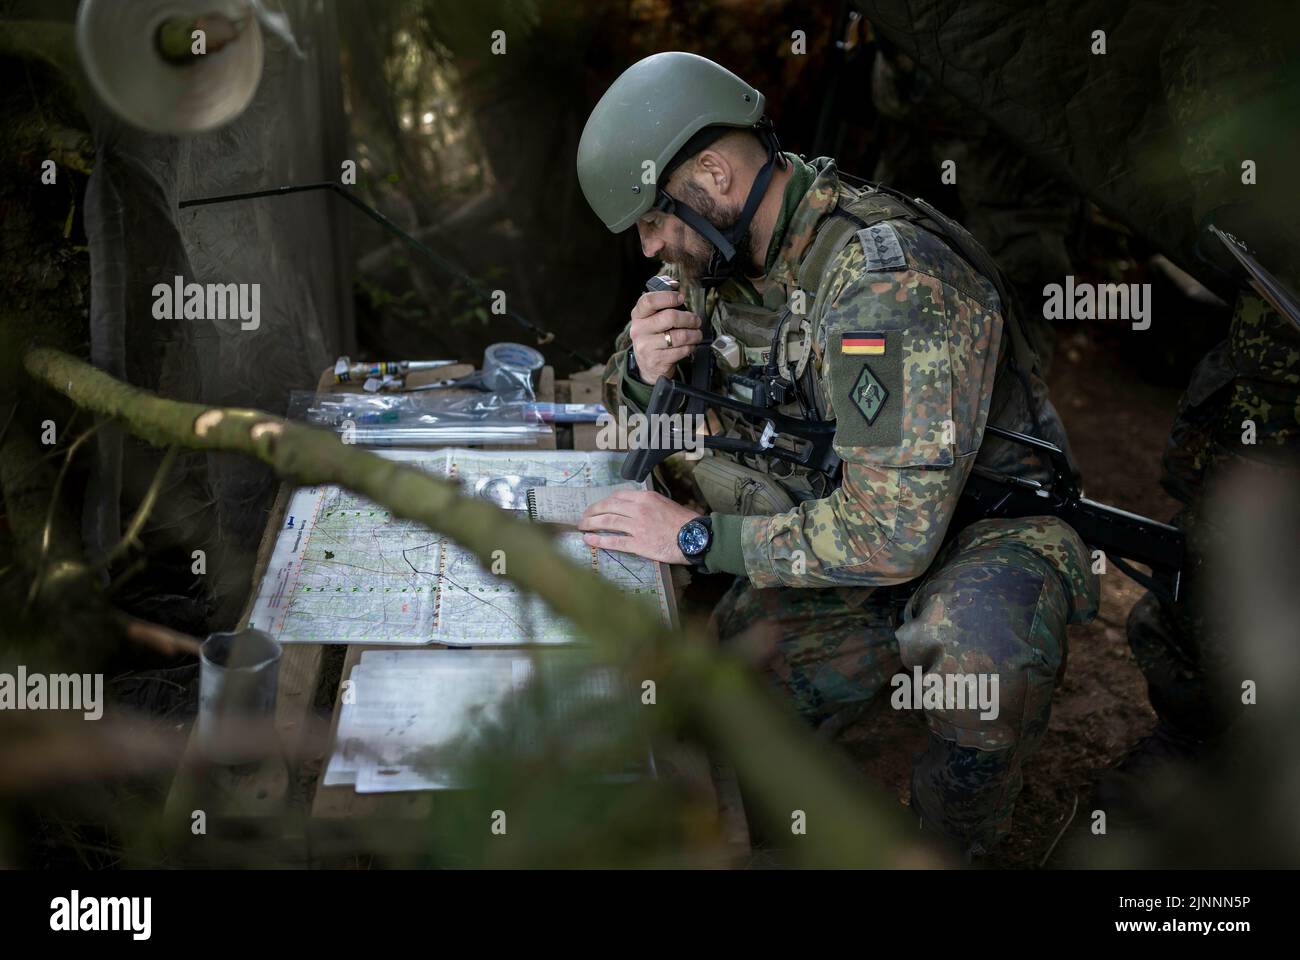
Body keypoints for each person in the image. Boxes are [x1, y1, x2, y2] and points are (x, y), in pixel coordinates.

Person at [574, 51, 1099, 857]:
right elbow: (621, 406)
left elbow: (893, 535)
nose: (650, 249)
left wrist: (690, 536)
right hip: (852, 516)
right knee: (735, 691)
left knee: (979, 659)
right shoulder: (721, 257)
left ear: (712, 173)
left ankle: (957, 840)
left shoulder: (883, 285)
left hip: (981, 530)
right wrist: (645, 377)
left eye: (653, 220)